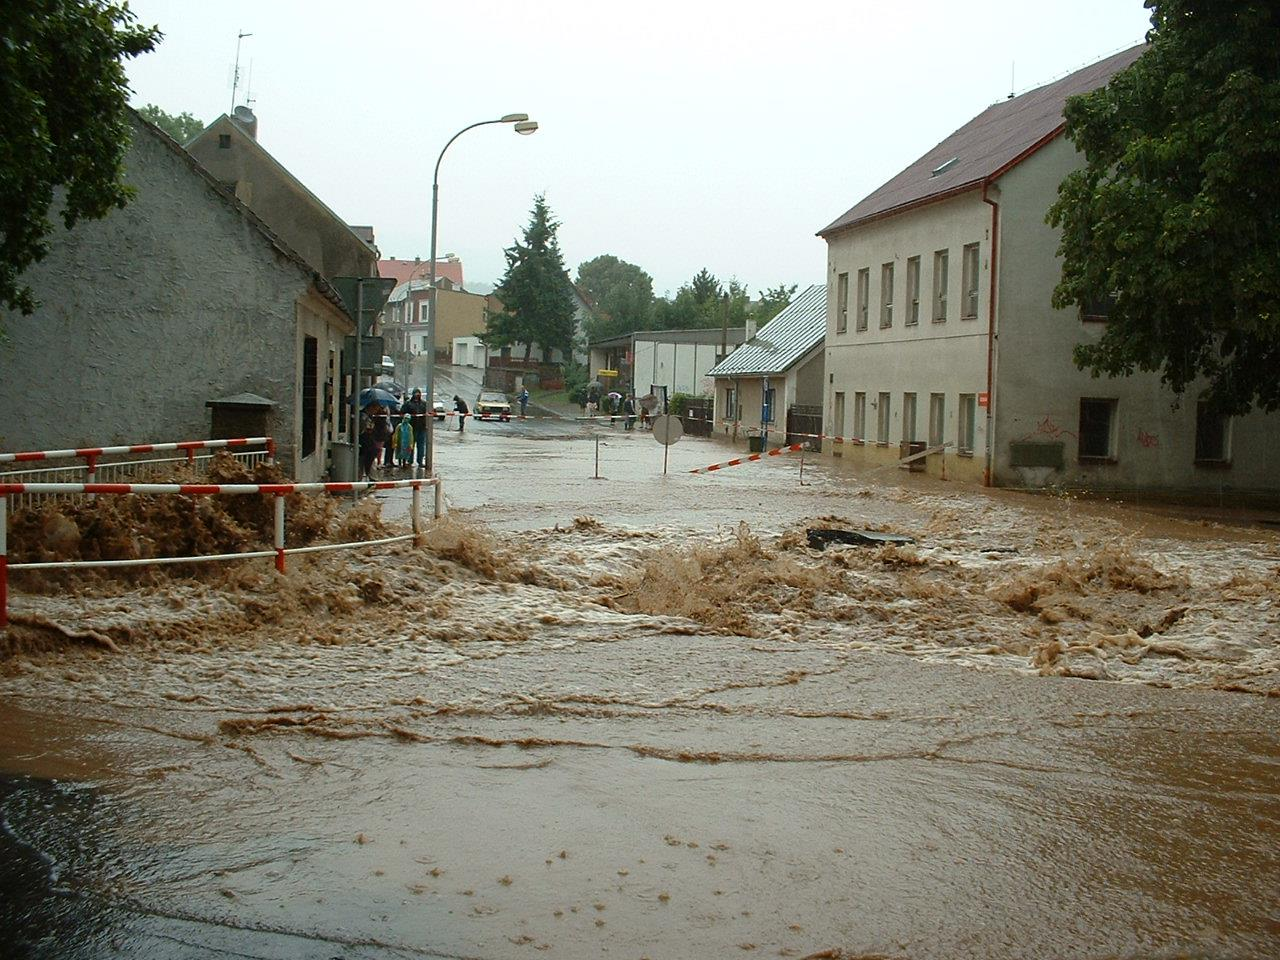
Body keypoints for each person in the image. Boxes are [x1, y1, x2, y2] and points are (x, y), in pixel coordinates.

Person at [401, 388, 429, 467]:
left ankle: (420, 461)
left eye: (418, 394)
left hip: (421, 428)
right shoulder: (408, 404)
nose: (417, 395)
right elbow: (402, 413)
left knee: (421, 445)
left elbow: (429, 413)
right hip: (411, 428)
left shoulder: (424, 404)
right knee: (410, 445)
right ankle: (410, 461)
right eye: (416, 394)